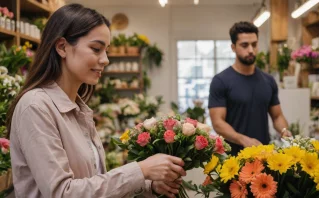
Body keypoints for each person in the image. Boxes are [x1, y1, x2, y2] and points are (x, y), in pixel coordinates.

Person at [6, 4, 185, 198]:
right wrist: (140, 170)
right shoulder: (36, 107)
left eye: (106, 50)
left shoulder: (78, 108)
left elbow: (93, 182)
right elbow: (62, 193)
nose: (106, 59)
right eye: (96, 49)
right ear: (62, 47)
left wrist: (149, 185)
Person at [208, 21, 292, 156]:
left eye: (254, 44)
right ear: (233, 47)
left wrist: (284, 131)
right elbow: (217, 122)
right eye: (244, 45)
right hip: (233, 158)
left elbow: (277, 116)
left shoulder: (268, 80)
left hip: (264, 154)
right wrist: (243, 139)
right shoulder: (221, 81)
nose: (251, 50)